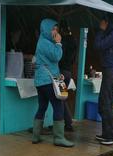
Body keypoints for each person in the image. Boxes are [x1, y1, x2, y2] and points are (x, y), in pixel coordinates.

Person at [32, 19, 73, 147]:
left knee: (42, 107)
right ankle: (59, 138)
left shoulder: (42, 42)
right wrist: (59, 43)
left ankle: (36, 136)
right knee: (58, 105)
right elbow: (56, 56)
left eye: (56, 29)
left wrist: (58, 74)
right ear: (46, 30)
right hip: (48, 80)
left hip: (42, 80)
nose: (55, 32)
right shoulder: (46, 43)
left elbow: (50, 63)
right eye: (53, 29)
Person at [94, 15, 113, 145]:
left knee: (104, 105)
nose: (102, 23)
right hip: (112, 71)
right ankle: (107, 133)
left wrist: (101, 30)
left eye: (105, 21)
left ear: (109, 22)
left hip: (112, 71)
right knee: (104, 104)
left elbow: (98, 45)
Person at [58, 22, 77, 132]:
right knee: (63, 97)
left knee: (61, 98)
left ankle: (66, 123)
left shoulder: (63, 41)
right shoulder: (74, 41)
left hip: (61, 73)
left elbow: (59, 56)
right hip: (68, 72)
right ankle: (67, 123)